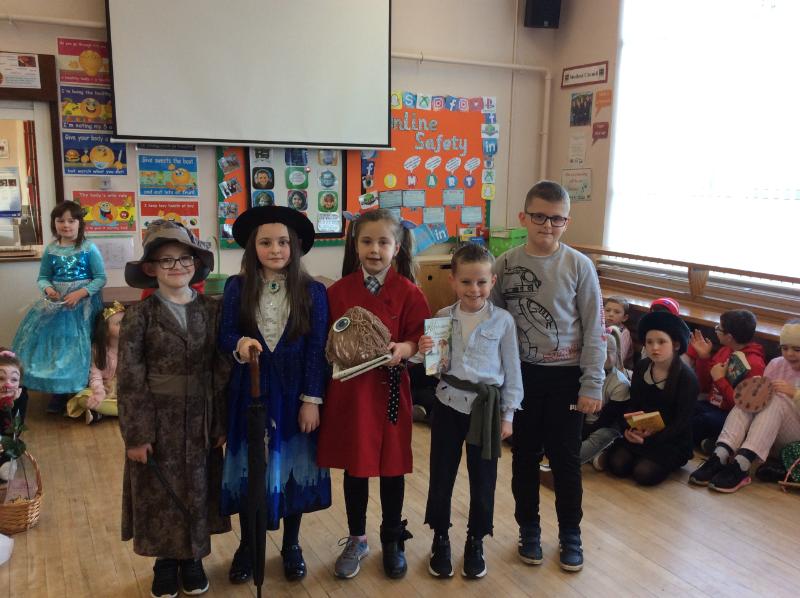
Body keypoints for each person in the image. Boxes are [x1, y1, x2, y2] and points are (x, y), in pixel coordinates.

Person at [491, 181, 605, 572]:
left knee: (565, 460)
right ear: (523, 218)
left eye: (557, 219)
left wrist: (592, 383)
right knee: (524, 457)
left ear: (566, 222)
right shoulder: (504, 265)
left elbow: (595, 328)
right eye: (539, 216)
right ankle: (529, 530)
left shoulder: (579, 266)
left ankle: (571, 533)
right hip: (521, 379)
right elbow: (493, 324)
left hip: (567, 380)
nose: (547, 225)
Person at [118, 220, 231, 598]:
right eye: (166, 260)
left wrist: (219, 422)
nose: (177, 266)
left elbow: (220, 369)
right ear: (151, 268)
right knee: (158, 490)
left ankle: (193, 558)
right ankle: (165, 562)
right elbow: (130, 378)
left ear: (196, 264)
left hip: (201, 416)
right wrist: (137, 435)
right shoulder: (139, 315)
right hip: (157, 418)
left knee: (198, 487)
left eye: (184, 258)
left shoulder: (212, 311)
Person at [219, 206, 331, 584]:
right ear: (253, 247)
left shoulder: (313, 292)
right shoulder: (237, 288)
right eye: (265, 242)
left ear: (295, 246)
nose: (275, 249)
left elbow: (317, 349)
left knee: (292, 468)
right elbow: (224, 334)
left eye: (283, 242)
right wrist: (240, 343)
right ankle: (248, 545)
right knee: (251, 469)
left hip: (294, 395)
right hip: (250, 394)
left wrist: (311, 399)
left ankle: (292, 543)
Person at [317, 208, 430, 580]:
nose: (374, 250)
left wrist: (405, 349)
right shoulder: (338, 292)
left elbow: (420, 339)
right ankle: (357, 538)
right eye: (367, 241)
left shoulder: (410, 292)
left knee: (392, 469)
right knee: (356, 467)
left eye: (383, 242)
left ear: (396, 247)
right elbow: (324, 343)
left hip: (391, 393)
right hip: (351, 395)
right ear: (355, 245)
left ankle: (392, 538)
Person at [418, 243, 522, 579]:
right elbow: (432, 366)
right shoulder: (441, 318)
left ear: (492, 282)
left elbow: (513, 371)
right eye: (466, 282)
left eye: (481, 282)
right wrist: (422, 350)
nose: (473, 289)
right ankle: (440, 537)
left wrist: (508, 415)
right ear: (453, 281)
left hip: (485, 409)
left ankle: (476, 539)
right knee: (442, 473)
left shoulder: (503, 321)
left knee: (483, 477)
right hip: (448, 403)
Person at [12, 201, 106, 414]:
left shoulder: (89, 248)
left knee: (76, 347)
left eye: (71, 221)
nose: (66, 225)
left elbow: (100, 278)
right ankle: (58, 392)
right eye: (61, 220)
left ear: (80, 223)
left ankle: (78, 391)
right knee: (55, 347)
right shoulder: (51, 250)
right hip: (56, 307)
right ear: (54, 224)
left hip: (82, 308)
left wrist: (81, 293)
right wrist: (48, 289)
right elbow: (43, 277)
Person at [689, 319, 800, 493]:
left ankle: (742, 463)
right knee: (751, 395)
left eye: (797, 349)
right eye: (784, 348)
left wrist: (795, 394)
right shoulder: (777, 364)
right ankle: (721, 454)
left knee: (777, 399)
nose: (789, 354)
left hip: (794, 443)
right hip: (768, 437)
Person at [605, 311, 698, 486]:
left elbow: (682, 422)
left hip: (670, 438)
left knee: (643, 473)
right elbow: (633, 404)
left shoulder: (687, 378)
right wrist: (629, 429)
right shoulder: (642, 367)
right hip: (641, 430)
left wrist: (652, 438)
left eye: (661, 342)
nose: (654, 348)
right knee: (617, 464)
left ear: (676, 344)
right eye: (649, 342)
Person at [686, 310, 765, 453]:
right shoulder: (725, 351)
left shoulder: (755, 364)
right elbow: (704, 386)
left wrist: (720, 380)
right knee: (685, 408)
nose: (716, 330)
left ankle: (711, 443)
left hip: (732, 416)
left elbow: (744, 407)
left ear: (729, 337)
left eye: (719, 328)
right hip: (712, 405)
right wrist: (703, 357)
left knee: (703, 421)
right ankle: (710, 442)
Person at [579, 327, 631, 470]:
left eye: (610, 352)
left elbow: (607, 420)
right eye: (600, 351)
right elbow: (575, 409)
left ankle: (574, 455)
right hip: (582, 423)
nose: (604, 356)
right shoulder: (582, 374)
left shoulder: (620, 383)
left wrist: (582, 434)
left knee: (601, 436)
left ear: (617, 354)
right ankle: (594, 455)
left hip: (604, 427)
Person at [66, 301, 125, 424]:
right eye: (119, 323)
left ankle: (101, 412)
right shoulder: (97, 350)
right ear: (106, 331)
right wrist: (99, 392)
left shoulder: (132, 347)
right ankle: (108, 411)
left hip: (126, 390)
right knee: (82, 398)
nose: (126, 326)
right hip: (104, 388)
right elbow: (95, 375)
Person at [0, 349, 29, 466]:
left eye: (14, 379)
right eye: (1, 378)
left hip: (4, 438)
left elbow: (13, 432)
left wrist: (7, 406)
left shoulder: (21, 396)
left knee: (15, 446)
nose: (8, 385)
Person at [604, 296, 634, 368]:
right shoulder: (601, 326)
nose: (611, 314)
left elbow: (619, 359)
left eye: (617, 312)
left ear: (624, 318)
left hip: (618, 370)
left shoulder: (624, 333)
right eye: (607, 310)